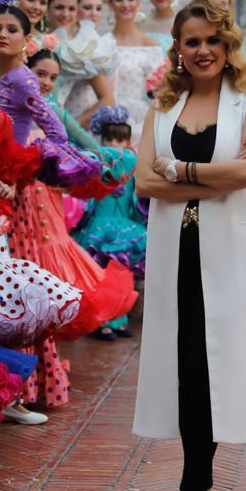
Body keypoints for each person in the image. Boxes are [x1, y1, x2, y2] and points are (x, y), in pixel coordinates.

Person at [134, 0, 246, 491]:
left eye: (212, 40)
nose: (202, 50)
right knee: (188, 373)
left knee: (215, 371)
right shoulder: (163, 106)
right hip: (179, 250)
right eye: (191, 41)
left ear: (228, 46)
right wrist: (214, 181)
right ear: (177, 49)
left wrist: (181, 169)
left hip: (235, 255)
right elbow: (144, 186)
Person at [0, 0, 102, 410]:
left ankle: (27, 391)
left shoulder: (21, 80)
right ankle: (15, 388)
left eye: (11, 30)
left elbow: (54, 132)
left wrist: (22, 173)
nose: (2, 35)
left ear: (26, 38)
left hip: (13, 195)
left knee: (20, 289)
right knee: (0, 287)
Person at [26, 48, 138, 341]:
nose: (47, 82)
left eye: (53, 77)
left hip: (46, 197)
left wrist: (116, 163)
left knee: (50, 260)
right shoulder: (7, 103)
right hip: (12, 196)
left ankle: (46, 338)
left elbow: (89, 144)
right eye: (40, 74)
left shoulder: (54, 110)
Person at [75, 105, 147, 341]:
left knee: (124, 276)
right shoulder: (97, 163)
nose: (114, 143)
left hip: (125, 227)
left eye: (120, 139)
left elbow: (138, 200)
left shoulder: (134, 166)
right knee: (101, 275)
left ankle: (119, 319)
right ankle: (101, 321)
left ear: (128, 140)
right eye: (109, 138)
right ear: (101, 138)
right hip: (100, 227)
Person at [47, 0, 116, 128]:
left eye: (71, 9)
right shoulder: (34, 40)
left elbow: (107, 99)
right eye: (59, 7)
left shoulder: (79, 49)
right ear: (47, 7)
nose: (66, 14)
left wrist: (72, 128)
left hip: (63, 124)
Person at [105, 0, 164, 145]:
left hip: (139, 121)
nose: (125, 4)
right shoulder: (102, 43)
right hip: (106, 119)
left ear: (138, 3)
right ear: (110, 4)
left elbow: (159, 89)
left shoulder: (150, 44)